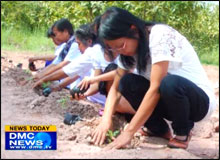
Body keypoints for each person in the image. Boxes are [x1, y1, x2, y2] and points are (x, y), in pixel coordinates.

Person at [90, 7, 217, 150]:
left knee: (169, 82)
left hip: (197, 103)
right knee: (127, 82)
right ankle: (159, 129)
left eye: (121, 45)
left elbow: (155, 89)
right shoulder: (130, 52)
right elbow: (115, 88)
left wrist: (128, 133)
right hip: (170, 101)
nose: (120, 51)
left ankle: (182, 132)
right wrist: (105, 120)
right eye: (115, 49)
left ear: (133, 30)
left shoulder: (160, 35)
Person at [32, 23, 135, 115]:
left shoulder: (96, 52)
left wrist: (44, 79)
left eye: (79, 44)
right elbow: (78, 74)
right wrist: (57, 85)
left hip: (113, 102)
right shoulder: (97, 54)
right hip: (109, 100)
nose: (78, 47)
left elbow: (68, 71)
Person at [33, 18, 81, 89]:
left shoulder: (75, 44)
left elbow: (63, 64)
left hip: (74, 83)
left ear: (65, 31)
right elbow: (55, 63)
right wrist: (41, 74)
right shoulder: (67, 45)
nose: (55, 37)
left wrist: (43, 77)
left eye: (56, 34)